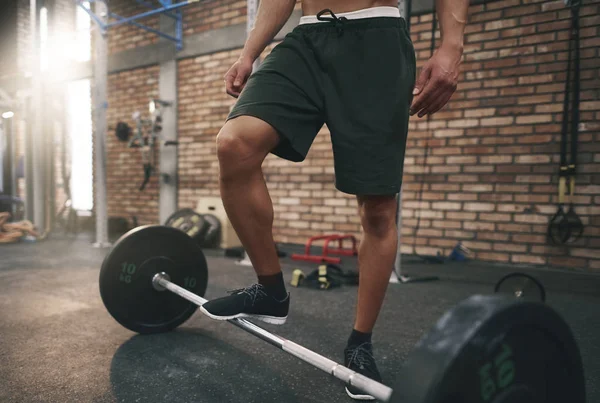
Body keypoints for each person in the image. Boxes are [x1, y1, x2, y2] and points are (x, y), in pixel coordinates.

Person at [201, 0, 469, 399]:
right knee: (234, 144)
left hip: (376, 42)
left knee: (377, 210)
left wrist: (452, 46)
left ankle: (360, 342)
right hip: (305, 40)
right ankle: (271, 291)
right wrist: (248, 53)